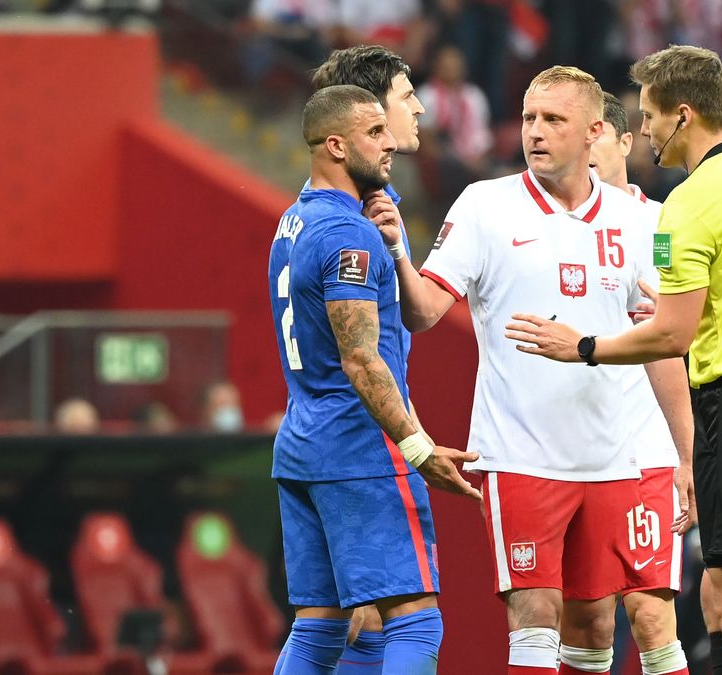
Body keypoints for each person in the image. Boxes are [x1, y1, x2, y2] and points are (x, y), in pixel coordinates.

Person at [505, 45, 722, 675]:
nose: (644, 130)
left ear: (685, 115)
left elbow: (670, 337)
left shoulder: (689, 202)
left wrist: (585, 347)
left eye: (650, 116)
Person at [366, 66, 695, 675]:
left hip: (623, 455)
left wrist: (686, 454)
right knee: (537, 619)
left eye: (553, 120)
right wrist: (395, 252)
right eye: (528, 119)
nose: (535, 133)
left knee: (635, 621)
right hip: (521, 456)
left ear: (595, 131)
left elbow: (663, 345)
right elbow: (424, 313)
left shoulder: (642, 221)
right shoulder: (485, 206)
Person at [267, 84, 479, 675]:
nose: (390, 144)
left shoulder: (294, 222)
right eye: (375, 133)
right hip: (361, 448)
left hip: (303, 443)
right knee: (416, 619)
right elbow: (361, 360)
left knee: (319, 627)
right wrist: (418, 446)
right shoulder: (349, 236)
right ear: (336, 145)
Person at [310, 43, 432, 673]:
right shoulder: (354, 211)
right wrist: (417, 445)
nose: (418, 109)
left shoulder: (378, 204)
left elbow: (420, 316)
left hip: (347, 431)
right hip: (365, 436)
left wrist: (402, 256)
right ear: (368, 112)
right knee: (388, 621)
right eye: (406, 97)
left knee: (340, 621)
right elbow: (359, 356)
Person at [568, 89, 693, 675]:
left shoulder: (660, 224)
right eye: (580, 134)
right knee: (588, 620)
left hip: (647, 444)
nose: (588, 147)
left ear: (625, 142)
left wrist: (688, 451)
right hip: (571, 448)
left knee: (649, 614)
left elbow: (678, 321)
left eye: (600, 135)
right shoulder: (548, 225)